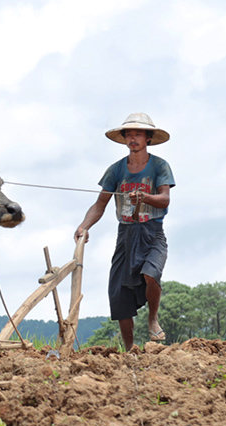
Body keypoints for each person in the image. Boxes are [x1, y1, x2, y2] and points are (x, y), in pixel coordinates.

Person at [75, 113, 175, 350]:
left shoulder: (160, 166)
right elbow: (100, 205)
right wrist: (83, 226)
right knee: (119, 293)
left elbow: (164, 200)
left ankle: (152, 318)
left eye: (138, 134)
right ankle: (129, 349)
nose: (133, 138)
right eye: (129, 134)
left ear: (148, 138)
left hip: (152, 233)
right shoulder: (116, 170)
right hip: (126, 234)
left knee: (151, 273)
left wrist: (145, 196)